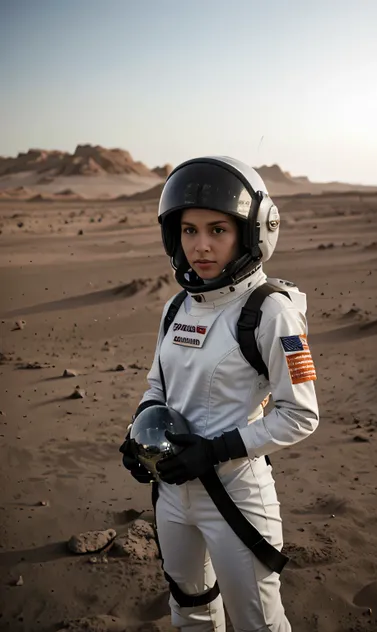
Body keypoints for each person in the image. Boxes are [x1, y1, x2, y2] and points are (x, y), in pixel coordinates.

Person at [121, 156, 319, 631]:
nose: (201, 246)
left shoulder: (272, 313)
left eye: (217, 230)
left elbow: (300, 415)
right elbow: (157, 386)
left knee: (258, 623)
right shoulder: (176, 307)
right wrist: (140, 437)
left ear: (252, 234)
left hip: (236, 491)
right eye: (189, 230)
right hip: (171, 491)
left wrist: (215, 450)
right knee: (188, 610)